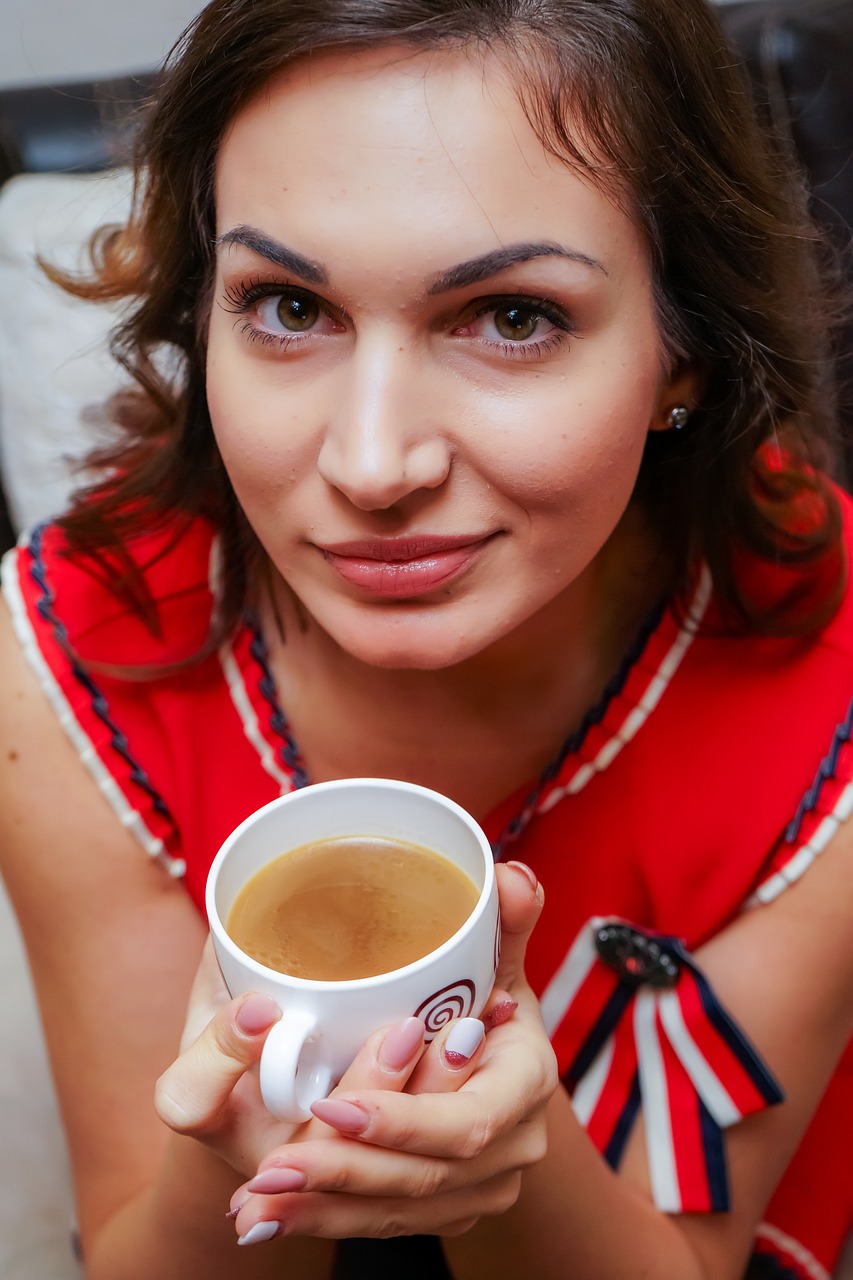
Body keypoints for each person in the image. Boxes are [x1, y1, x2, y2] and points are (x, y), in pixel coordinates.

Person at [0, 1, 851, 1277]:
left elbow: (688, 1253)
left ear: (682, 351)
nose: (372, 462)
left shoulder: (831, 675)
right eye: (289, 304)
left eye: (511, 316)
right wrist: (241, 1152)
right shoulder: (69, 659)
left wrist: (513, 1159)